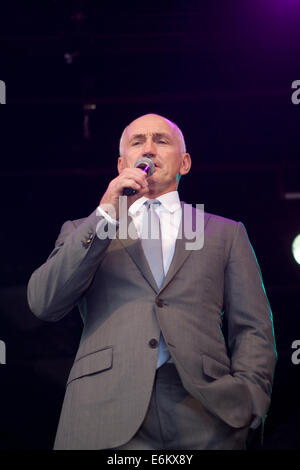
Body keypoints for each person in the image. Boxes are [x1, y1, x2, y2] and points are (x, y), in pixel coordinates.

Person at [27, 113, 277, 450]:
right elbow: (44, 302)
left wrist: (250, 399)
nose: (149, 148)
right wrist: (104, 214)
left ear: (184, 162)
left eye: (161, 140)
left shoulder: (225, 232)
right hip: (104, 410)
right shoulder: (84, 230)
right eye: (137, 142)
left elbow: (253, 328)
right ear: (122, 164)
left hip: (208, 412)